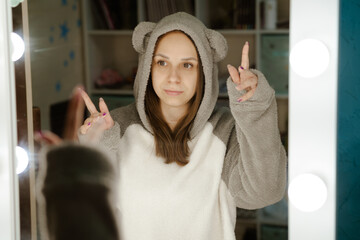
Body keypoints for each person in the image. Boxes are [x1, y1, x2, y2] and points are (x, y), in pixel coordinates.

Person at [37, 12, 287, 240]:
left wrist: (254, 109)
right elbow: (87, 215)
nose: (173, 77)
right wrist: (95, 148)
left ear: (205, 72)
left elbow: (264, 193)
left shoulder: (224, 131)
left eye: (187, 65)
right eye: (162, 63)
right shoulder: (116, 128)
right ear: (147, 67)